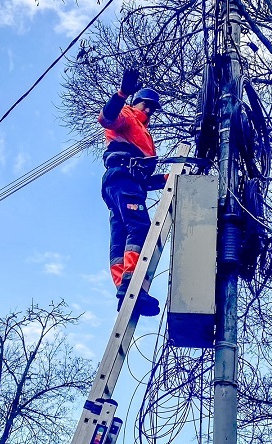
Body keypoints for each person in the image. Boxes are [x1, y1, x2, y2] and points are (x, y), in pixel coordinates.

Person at [98, 68, 165, 317]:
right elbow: (106, 117)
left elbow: (145, 179)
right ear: (137, 102)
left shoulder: (144, 134)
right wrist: (122, 93)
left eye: (151, 109)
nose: (147, 111)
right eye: (145, 105)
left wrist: (172, 178)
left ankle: (122, 291)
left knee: (121, 234)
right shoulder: (127, 116)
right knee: (140, 228)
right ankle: (131, 285)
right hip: (123, 181)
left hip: (124, 184)